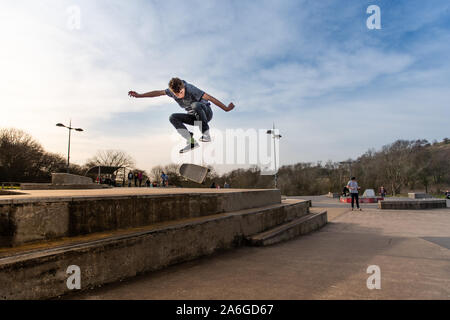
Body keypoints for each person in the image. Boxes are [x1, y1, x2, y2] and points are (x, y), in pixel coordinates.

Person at [128, 78, 235, 153]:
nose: (180, 95)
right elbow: (157, 93)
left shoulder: (190, 88)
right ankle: (191, 141)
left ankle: (206, 134)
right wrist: (139, 95)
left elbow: (210, 98)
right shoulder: (170, 91)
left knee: (195, 105)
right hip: (194, 117)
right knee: (172, 117)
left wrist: (226, 109)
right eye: (177, 94)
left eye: (181, 92)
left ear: (183, 87)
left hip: (205, 113)